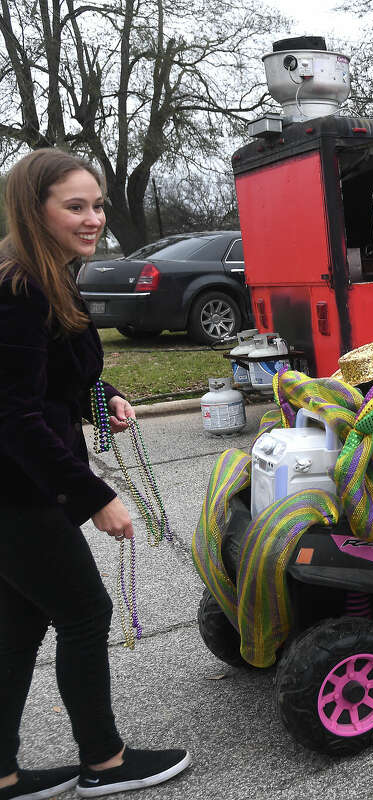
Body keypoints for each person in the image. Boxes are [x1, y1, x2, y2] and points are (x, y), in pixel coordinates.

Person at [0, 149, 190, 800]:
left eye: (98, 204)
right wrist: (93, 495)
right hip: (20, 491)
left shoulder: (50, 275)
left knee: (20, 626)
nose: (93, 218)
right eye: (74, 205)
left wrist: (98, 395)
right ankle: (104, 762)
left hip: (22, 484)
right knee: (85, 611)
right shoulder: (20, 285)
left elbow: (50, 376)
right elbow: (16, 413)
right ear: (36, 210)